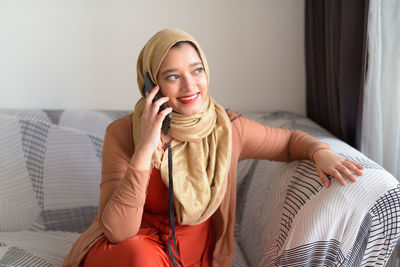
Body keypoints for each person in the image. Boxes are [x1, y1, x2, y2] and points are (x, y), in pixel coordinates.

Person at [62, 28, 364, 267]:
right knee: (140, 258)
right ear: (151, 85)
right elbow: (117, 231)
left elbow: (287, 142)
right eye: (172, 76)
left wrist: (320, 152)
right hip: (130, 251)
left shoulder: (228, 129)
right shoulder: (123, 133)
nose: (190, 85)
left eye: (196, 70)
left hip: (194, 256)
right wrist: (144, 148)